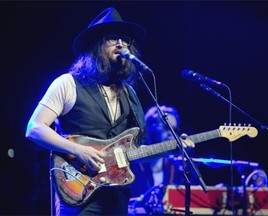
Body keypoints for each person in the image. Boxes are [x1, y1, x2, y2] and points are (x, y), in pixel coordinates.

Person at [25, 7, 194, 216]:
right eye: (113, 38)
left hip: (117, 198)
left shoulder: (129, 94)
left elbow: (136, 154)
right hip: (79, 193)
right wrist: (78, 150)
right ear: (95, 46)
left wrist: (172, 148)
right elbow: (34, 128)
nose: (122, 44)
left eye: (125, 40)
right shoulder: (68, 83)